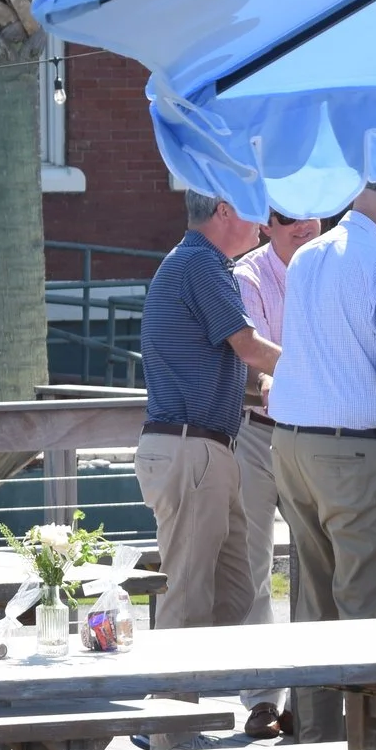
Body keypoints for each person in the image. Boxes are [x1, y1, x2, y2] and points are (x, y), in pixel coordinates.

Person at [267, 175, 376, 743]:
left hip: (292, 442)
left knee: (314, 604)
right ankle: (366, 747)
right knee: (366, 610)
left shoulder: (307, 257)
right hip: (354, 449)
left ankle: (317, 737)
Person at [135, 191, 283, 637]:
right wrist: (321, 371)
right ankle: (174, 685)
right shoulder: (201, 263)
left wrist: (271, 381)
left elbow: (233, 362)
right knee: (187, 602)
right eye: (253, 209)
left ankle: (216, 677)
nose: (263, 222)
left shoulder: (198, 263)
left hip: (202, 449)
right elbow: (249, 346)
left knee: (235, 595)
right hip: (192, 449)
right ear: (224, 210)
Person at [231, 207, 321, 738]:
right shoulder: (249, 275)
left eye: (312, 212)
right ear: (265, 225)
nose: (303, 225)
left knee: (318, 566)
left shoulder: (334, 266)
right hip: (260, 432)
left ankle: (313, 699)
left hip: (319, 432)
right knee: (253, 567)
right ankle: (263, 698)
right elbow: (255, 358)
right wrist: (318, 373)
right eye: (287, 217)